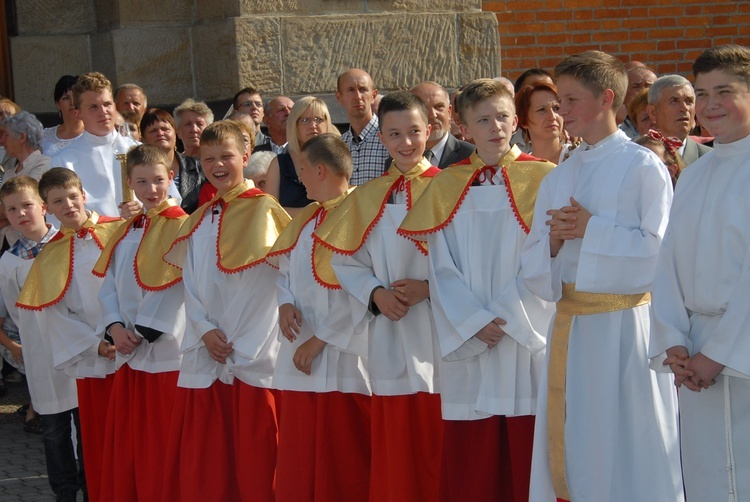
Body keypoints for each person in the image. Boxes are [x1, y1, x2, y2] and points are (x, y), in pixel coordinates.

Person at [521, 51, 684, 502]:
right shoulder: (560, 175)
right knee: (580, 438)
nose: (561, 112)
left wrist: (594, 229)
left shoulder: (642, 166)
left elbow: (660, 256)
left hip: (626, 330)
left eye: (571, 100)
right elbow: (532, 265)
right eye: (557, 101)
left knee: (630, 438)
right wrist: (552, 245)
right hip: (570, 329)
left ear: (607, 98)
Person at [399, 78, 554, 502]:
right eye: (482, 119)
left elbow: (546, 257)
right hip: (472, 335)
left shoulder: (545, 179)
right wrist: (474, 321)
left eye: (502, 117)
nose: (495, 127)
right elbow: (440, 265)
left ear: (516, 121)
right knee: (475, 458)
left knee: (529, 444)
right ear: (463, 128)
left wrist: (508, 315)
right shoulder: (447, 185)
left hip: (525, 332)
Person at [314, 91, 442, 502]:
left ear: (430, 131)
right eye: (395, 134)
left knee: (437, 435)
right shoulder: (367, 197)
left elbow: (470, 260)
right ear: (381, 139)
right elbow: (345, 262)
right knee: (396, 441)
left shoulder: (452, 189)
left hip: (441, 329)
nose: (406, 143)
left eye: (414, 132)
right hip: (389, 329)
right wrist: (374, 294)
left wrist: (431, 289)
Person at [162, 121, 290, 502]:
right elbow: (191, 281)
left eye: (227, 157)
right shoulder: (200, 218)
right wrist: (203, 329)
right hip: (210, 349)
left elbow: (269, 284)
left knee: (258, 458)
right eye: (209, 159)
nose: (218, 165)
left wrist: (237, 341)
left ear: (246, 156)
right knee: (212, 461)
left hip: (251, 351)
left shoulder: (264, 210)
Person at [650, 44, 750, 501]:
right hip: (692, 350)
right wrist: (674, 339)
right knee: (706, 478)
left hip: (736, 350)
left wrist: (718, 354)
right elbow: (668, 263)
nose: (709, 106)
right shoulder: (693, 174)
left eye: (723, 92)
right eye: (702, 93)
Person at [268, 133, 371, 502]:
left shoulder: (362, 212)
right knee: (300, 459)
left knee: (344, 460)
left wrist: (320, 339)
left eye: (302, 172)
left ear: (321, 170)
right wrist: (284, 303)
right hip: (302, 358)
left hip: (345, 359)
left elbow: (363, 290)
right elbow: (284, 272)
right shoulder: (306, 219)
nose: (300, 180)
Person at [16, 168, 120, 502]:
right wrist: (96, 345)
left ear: (84, 195)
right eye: (58, 201)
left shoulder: (119, 231)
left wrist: (123, 333)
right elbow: (54, 312)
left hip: (132, 350)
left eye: (73, 196)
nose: (69, 205)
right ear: (47, 207)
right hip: (93, 359)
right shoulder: (50, 255)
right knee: (96, 441)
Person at [91, 145, 188, 501]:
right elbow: (109, 284)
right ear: (130, 183)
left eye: (158, 180)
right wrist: (115, 327)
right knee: (134, 442)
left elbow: (176, 284)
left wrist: (142, 331)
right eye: (142, 182)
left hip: (163, 352)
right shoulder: (126, 230)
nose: (151, 189)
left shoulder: (181, 225)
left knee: (164, 440)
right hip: (128, 352)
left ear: (171, 178)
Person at [0, 176, 82, 502]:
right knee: (54, 427)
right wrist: (21, 344)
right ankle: (63, 491)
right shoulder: (9, 262)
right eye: (11, 209)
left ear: (44, 207)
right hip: (41, 353)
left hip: (78, 347)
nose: (21, 214)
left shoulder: (70, 242)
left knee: (85, 425)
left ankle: (91, 486)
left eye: (27, 205)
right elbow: (13, 310)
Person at [52, 72, 140, 217]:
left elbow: (168, 200)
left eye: (107, 104)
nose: (103, 112)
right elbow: (60, 216)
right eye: (93, 107)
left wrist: (143, 208)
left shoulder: (138, 150)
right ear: (78, 114)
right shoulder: (64, 161)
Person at [265, 96, 340, 214]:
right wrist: (313, 215)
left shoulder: (338, 159)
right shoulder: (279, 164)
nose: (313, 125)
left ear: (327, 123)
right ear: (294, 125)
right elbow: (269, 211)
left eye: (318, 119)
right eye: (305, 120)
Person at [140, 108, 204, 213]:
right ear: (143, 139)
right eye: (153, 131)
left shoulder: (199, 166)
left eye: (165, 129)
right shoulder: (138, 173)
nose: (160, 133)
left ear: (176, 133)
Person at [336, 69, 390, 185]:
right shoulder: (339, 146)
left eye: (363, 89)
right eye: (350, 90)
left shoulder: (390, 139)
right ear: (339, 98)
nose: (358, 97)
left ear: (374, 95)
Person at [404, 81, 474, 168]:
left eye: (438, 107)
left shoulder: (472, 156)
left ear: (449, 112)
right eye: (424, 108)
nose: (432, 115)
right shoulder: (399, 159)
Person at [647, 74, 712, 165]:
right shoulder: (639, 155)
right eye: (674, 101)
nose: (684, 108)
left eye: (689, 101)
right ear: (653, 112)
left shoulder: (711, 158)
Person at [515, 81, 571, 164]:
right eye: (541, 110)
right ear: (524, 121)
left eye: (556, 108)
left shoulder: (578, 157)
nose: (552, 116)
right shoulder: (520, 169)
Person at [0, 111, 51, 182]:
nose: (2, 141)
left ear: (22, 137)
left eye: (6, 135)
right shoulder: (9, 173)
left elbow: (29, 192)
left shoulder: (44, 165)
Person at [511, 69, 554, 152]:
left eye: (548, 89)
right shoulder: (506, 148)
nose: (552, 116)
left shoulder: (573, 148)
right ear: (517, 99)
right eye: (532, 89)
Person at [42, 76, 84, 157]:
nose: (72, 103)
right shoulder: (45, 136)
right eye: (66, 98)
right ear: (58, 104)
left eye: (75, 97)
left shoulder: (94, 134)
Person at [618, 66, 657, 138]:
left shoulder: (672, 128)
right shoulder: (617, 134)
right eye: (636, 86)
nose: (643, 90)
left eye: (649, 86)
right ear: (623, 93)